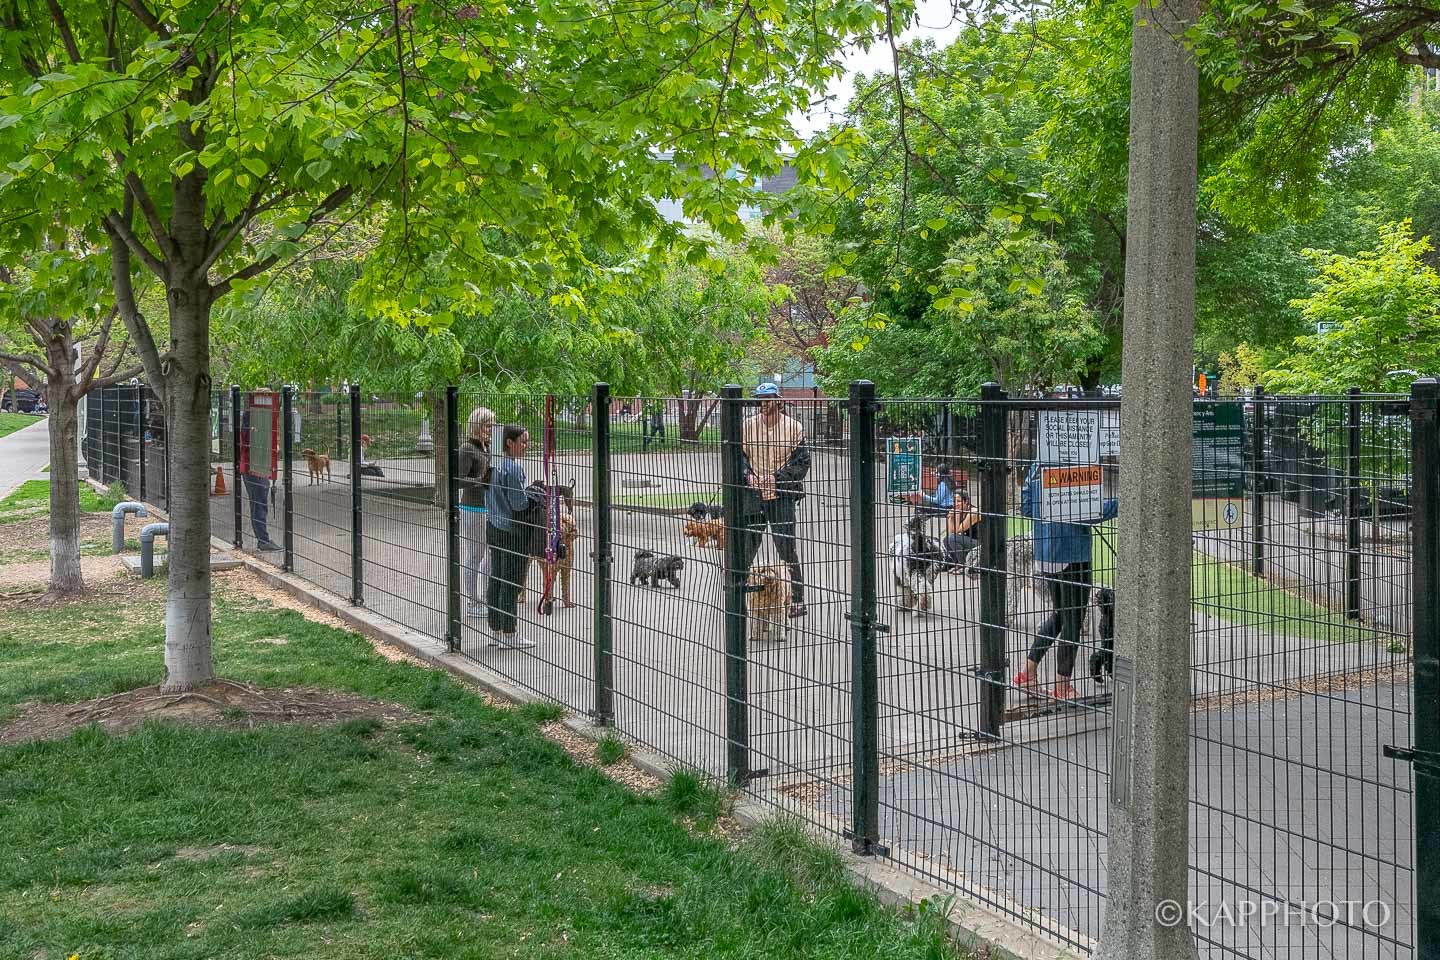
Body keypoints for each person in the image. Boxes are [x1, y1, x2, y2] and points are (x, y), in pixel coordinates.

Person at [1016, 461, 1117, 700]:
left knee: (1061, 615)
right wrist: (1125, 501)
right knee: (1073, 621)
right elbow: (1089, 513)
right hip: (1073, 553)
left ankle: (1028, 673)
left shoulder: (1038, 464)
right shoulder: (1075, 462)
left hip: (1046, 553)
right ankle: (1062, 686)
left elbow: (1026, 507)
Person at [738, 382, 811, 619]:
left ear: (777, 401)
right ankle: (739, 595)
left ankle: (797, 599)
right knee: (746, 546)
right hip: (753, 494)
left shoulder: (794, 427)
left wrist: (776, 478)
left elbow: (802, 463)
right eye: (760, 399)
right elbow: (739, 457)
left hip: (781, 495)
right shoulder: (747, 426)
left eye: (767, 399)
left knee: (786, 547)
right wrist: (747, 475)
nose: (763, 403)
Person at [485, 425, 538, 649]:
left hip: (493, 525)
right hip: (512, 531)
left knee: (496, 576)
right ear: (509, 443)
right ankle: (509, 632)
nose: (527, 446)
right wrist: (533, 497)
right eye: (523, 442)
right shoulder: (513, 468)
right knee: (512, 580)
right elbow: (519, 504)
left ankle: (496, 628)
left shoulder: (493, 463)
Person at [458, 406, 496, 619]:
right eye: (488, 425)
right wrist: (480, 480)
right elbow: (458, 480)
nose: (491, 429)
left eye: (492, 425)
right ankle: (473, 602)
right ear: (477, 425)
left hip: (489, 507)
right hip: (473, 508)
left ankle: (487, 597)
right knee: (475, 554)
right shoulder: (467, 449)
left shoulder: (488, 447)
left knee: (490, 554)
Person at [237, 390, 281, 552]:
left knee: (259, 503)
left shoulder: (251, 417)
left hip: (256, 466)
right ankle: (263, 540)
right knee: (259, 504)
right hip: (253, 467)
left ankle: (263, 539)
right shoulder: (253, 418)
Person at [942, 488, 981, 576]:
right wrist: (950, 518)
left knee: (952, 538)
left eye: (959, 501)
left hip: (979, 543)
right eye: (954, 501)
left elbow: (958, 531)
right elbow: (950, 533)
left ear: (966, 501)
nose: (956, 504)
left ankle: (964, 565)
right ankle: (958, 564)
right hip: (969, 541)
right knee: (946, 539)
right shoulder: (959, 510)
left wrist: (956, 515)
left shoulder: (973, 512)